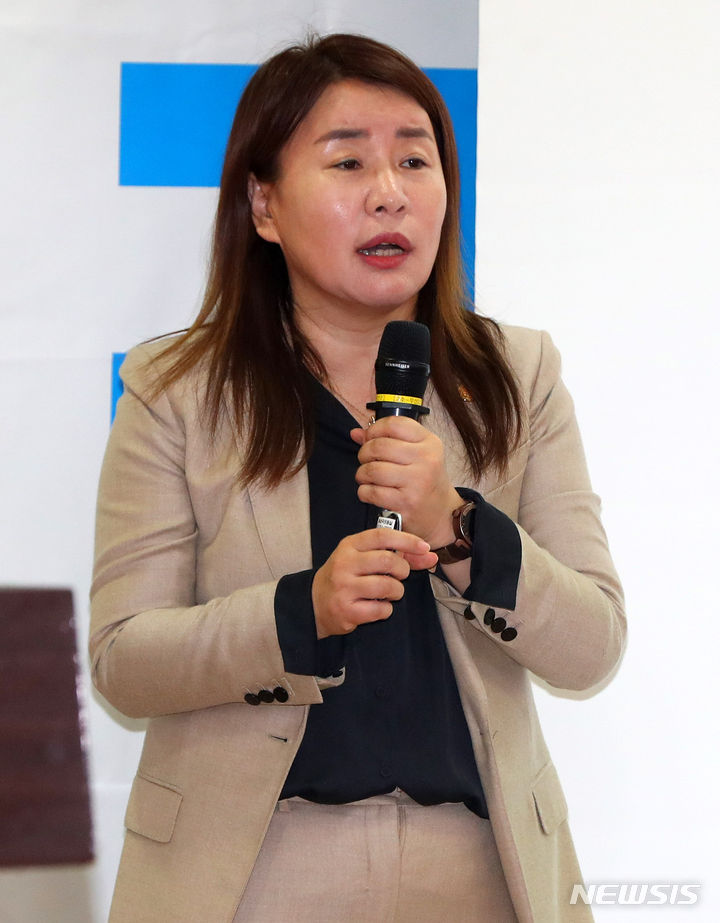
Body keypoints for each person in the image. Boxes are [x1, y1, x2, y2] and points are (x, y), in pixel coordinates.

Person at [90, 32, 626, 923]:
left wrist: (458, 525)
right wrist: (300, 611)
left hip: (478, 864)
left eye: (415, 160)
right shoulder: (177, 391)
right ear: (264, 205)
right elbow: (124, 660)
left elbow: (593, 643)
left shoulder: (519, 376)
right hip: (255, 864)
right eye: (348, 162)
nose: (390, 192)